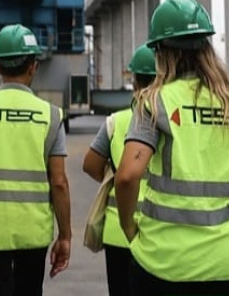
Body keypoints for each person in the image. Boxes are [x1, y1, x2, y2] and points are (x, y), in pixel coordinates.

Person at [115, 0, 229, 296]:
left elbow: (127, 176)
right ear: (207, 48)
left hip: (164, 264)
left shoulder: (154, 102)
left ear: (161, 53)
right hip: (227, 265)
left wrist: (129, 229)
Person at [0, 24, 71, 296]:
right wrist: (64, 236)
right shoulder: (51, 115)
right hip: (33, 233)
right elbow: (59, 183)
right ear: (33, 65)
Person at [82, 44, 157, 296]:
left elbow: (91, 165)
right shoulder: (172, 122)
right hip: (160, 230)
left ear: (134, 80)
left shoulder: (116, 121)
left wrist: (112, 175)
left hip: (119, 232)